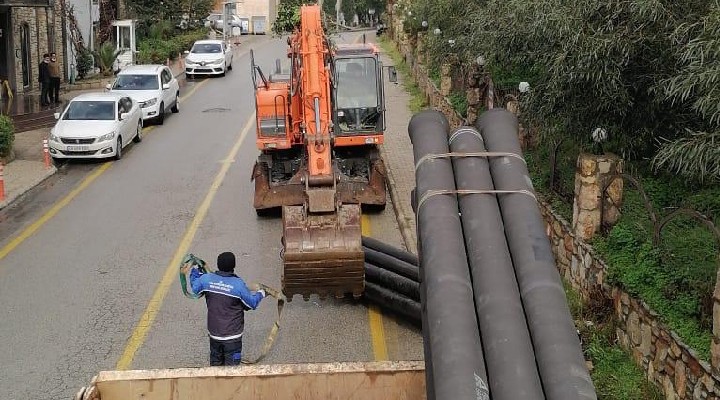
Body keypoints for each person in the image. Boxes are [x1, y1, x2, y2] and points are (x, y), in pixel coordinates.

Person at [181, 251, 267, 366]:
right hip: (233, 338)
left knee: (215, 370)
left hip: (214, 335)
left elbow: (195, 286)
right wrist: (261, 293)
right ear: (234, 266)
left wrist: (196, 270)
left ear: (218, 264)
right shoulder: (238, 285)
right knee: (231, 373)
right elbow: (251, 304)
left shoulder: (207, 280)